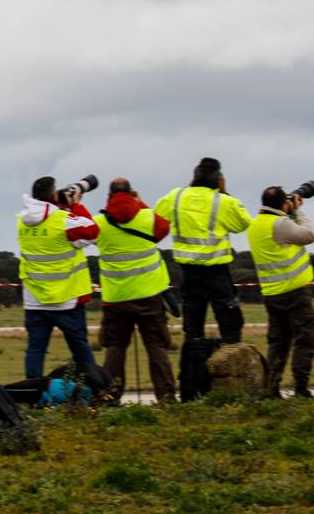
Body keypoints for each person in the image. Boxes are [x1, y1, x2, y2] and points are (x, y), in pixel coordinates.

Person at [94, 178, 177, 403]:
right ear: (132, 194)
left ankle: (111, 396)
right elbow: (163, 230)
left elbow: (83, 235)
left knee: (115, 348)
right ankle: (166, 397)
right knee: (156, 346)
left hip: (116, 298)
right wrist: (141, 204)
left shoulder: (100, 222)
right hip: (149, 295)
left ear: (109, 197)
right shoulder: (146, 216)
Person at [157, 157, 251, 343]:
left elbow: (157, 216)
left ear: (194, 175)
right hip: (217, 273)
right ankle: (231, 359)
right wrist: (224, 192)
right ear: (218, 178)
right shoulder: (223, 201)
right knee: (230, 323)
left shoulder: (175, 197)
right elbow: (243, 223)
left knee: (193, 327)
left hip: (189, 273)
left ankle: (193, 366)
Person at [17, 177, 100, 381]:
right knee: (80, 347)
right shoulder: (63, 220)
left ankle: (32, 393)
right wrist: (76, 204)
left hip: (35, 298)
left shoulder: (21, 219)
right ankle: (95, 388)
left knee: (35, 349)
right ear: (54, 195)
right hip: (65, 300)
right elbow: (92, 233)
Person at [246, 186, 314, 398]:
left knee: (278, 343)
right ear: (283, 204)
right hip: (294, 292)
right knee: (305, 340)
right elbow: (308, 235)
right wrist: (298, 212)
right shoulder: (281, 223)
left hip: (271, 293)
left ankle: (272, 388)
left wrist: (289, 210)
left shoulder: (255, 225)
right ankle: (301, 388)